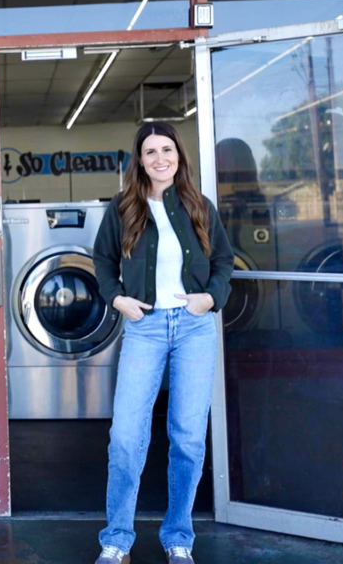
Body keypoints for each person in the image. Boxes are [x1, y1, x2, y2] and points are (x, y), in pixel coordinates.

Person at [92, 123, 233, 564]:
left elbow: (224, 261)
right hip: (145, 327)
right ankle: (117, 539)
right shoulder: (122, 208)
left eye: (167, 149)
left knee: (187, 437)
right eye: (150, 151)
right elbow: (102, 261)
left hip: (194, 327)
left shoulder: (199, 205)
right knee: (125, 436)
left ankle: (178, 536)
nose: (160, 159)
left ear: (179, 156)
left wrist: (210, 298)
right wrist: (118, 299)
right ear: (139, 159)